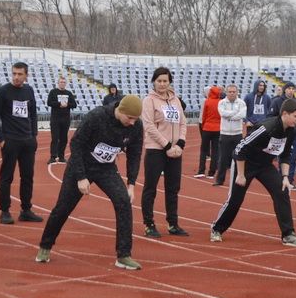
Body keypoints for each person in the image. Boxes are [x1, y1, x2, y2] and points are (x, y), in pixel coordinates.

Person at [36, 95, 144, 269]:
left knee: (124, 201)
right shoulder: (96, 116)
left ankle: (124, 255)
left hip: (106, 168)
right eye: (130, 118)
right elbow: (76, 143)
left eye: (136, 119)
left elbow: (135, 154)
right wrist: (80, 177)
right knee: (63, 207)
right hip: (81, 165)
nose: (132, 122)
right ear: (120, 110)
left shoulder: (136, 126)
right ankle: (45, 246)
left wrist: (131, 184)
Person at [210, 98, 296, 247]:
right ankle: (217, 229)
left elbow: (285, 154)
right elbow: (240, 149)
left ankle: (288, 234)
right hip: (245, 163)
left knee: (282, 191)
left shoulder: (290, 131)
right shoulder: (266, 127)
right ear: (285, 114)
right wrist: (240, 175)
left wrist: (285, 177)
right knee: (235, 199)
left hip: (265, 165)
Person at [141, 67, 189, 238]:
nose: (162, 84)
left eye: (165, 81)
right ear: (154, 81)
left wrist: (180, 144)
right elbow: (149, 126)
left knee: (173, 189)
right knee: (150, 188)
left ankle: (173, 224)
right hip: (156, 150)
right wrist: (167, 145)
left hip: (175, 151)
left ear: (170, 82)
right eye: (159, 81)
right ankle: (149, 224)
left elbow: (183, 123)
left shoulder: (175, 100)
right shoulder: (149, 100)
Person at [0, 61, 41, 224]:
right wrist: (1, 139)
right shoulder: (3, 91)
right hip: (10, 140)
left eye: (20, 74)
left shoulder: (29, 90)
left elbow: (33, 114)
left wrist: (34, 135)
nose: (16, 77)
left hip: (27, 140)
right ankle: (4, 211)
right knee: (6, 177)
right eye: (14, 73)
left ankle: (26, 210)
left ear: (26, 75)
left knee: (28, 177)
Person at [215, 85, 247, 186]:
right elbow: (222, 113)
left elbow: (242, 115)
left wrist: (230, 116)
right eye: (230, 91)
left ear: (237, 92)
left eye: (233, 92)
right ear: (226, 92)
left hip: (237, 133)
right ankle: (220, 179)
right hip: (225, 133)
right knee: (223, 158)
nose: (232, 93)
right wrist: (235, 113)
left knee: (238, 158)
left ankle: (238, 178)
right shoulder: (222, 102)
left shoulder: (241, 103)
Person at [47, 76, 77, 164]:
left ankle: (61, 156)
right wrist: (59, 104)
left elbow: (74, 104)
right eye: (61, 82)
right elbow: (49, 102)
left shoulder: (69, 93)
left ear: (66, 83)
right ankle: (53, 157)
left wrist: (67, 105)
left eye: (64, 82)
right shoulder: (53, 92)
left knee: (64, 138)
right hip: (55, 118)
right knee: (55, 138)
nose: (62, 84)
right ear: (58, 83)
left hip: (66, 118)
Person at [194, 86, 221, 179]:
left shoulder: (207, 102)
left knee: (204, 150)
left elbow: (204, 116)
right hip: (218, 128)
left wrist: (203, 125)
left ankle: (201, 170)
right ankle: (211, 173)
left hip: (207, 127)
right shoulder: (221, 102)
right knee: (215, 151)